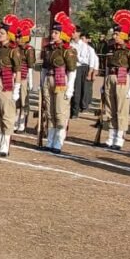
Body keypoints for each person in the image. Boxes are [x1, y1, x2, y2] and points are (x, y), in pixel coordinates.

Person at [41, 13, 79, 154]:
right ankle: (50, 140)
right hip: (49, 80)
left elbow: (72, 71)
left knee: (59, 112)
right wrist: (42, 83)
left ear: (62, 34)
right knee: (49, 112)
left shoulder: (68, 50)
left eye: (56, 32)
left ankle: (58, 142)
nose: (53, 34)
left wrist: (70, 89)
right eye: (52, 32)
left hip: (61, 82)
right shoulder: (49, 49)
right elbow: (45, 68)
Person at [103, 10, 130, 150]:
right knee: (110, 108)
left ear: (123, 34)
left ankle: (119, 138)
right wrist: (105, 82)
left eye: (117, 33)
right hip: (110, 77)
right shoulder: (111, 48)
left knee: (121, 109)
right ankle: (111, 136)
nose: (114, 36)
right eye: (114, 33)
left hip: (123, 77)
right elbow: (107, 66)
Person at [0, 16, 24, 157]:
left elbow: (18, 71)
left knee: (6, 114)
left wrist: (16, 89)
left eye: (2, 33)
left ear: (9, 35)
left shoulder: (13, 50)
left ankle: (5, 145)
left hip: (6, 83)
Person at [15, 19, 36, 132]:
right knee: (16, 101)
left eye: (19, 37)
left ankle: (22, 123)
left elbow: (30, 66)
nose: (17, 39)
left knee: (24, 101)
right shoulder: (16, 49)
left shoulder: (29, 50)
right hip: (16, 78)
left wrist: (30, 81)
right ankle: (16, 121)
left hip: (24, 78)